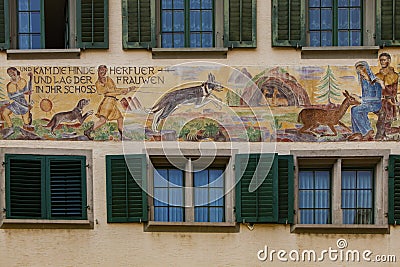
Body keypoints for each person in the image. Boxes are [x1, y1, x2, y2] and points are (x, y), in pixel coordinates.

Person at [84, 65, 136, 140]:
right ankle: (88, 131)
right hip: (107, 103)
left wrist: (127, 89)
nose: (103, 72)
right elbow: (104, 92)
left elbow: (115, 89)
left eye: (105, 71)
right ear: (98, 71)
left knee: (120, 118)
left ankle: (122, 136)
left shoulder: (109, 79)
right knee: (103, 120)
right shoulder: (98, 83)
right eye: (102, 70)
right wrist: (123, 91)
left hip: (113, 102)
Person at [348, 61, 384, 141]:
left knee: (356, 110)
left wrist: (361, 99)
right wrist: (357, 97)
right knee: (354, 109)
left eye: (361, 71)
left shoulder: (376, 82)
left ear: (366, 70)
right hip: (367, 103)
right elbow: (365, 96)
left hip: (375, 104)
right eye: (359, 72)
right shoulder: (364, 82)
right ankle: (357, 132)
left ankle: (368, 131)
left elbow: (378, 98)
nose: (360, 74)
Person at [375, 53, 399, 140]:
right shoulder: (377, 75)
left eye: (384, 60)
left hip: (389, 101)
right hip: (380, 100)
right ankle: (381, 136)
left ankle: (386, 135)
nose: (382, 62)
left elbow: (393, 90)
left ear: (389, 60)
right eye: (381, 60)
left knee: (387, 120)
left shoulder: (394, 75)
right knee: (380, 120)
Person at [2, 67, 34, 133]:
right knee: (4, 113)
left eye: (13, 72)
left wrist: (31, 79)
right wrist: (22, 93)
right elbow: (11, 97)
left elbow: (27, 90)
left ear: (16, 71)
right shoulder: (9, 85)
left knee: (26, 123)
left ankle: (26, 128)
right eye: (9, 73)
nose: (12, 74)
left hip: (23, 103)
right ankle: (11, 128)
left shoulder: (23, 81)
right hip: (15, 103)